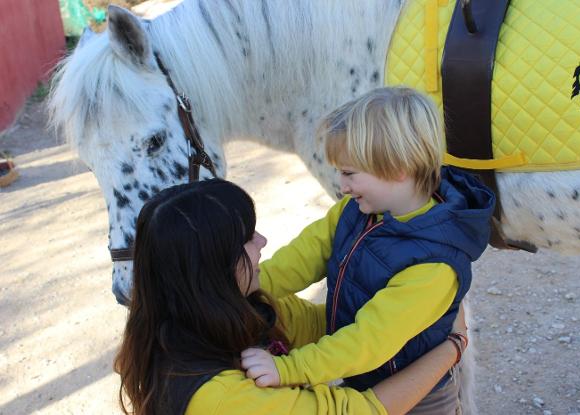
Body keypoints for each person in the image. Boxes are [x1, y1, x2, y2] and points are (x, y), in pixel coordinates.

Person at [113, 179, 468, 415]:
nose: (262, 242)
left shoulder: (232, 309)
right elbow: (364, 411)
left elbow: (328, 324)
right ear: (212, 270)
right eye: (247, 239)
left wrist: (409, 306)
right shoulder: (221, 400)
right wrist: (452, 345)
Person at [241, 87, 495, 414]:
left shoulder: (434, 264)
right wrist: (246, 289)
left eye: (349, 173)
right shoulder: (356, 210)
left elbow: (367, 342)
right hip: (364, 378)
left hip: (418, 397)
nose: (342, 185)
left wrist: (288, 369)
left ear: (397, 167)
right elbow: (302, 256)